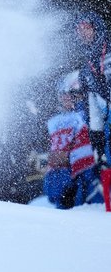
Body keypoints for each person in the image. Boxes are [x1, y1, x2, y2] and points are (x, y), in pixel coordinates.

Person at [43, 71, 104, 209]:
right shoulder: (54, 122)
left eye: (71, 93)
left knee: (94, 207)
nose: (66, 98)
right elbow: (56, 153)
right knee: (65, 210)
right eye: (62, 94)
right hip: (63, 174)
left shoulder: (87, 113)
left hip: (89, 169)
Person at [73, 11, 110, 167]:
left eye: (86, 28)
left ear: (96, 29)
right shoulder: (86, 68)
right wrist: (97, 143)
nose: (83, 33)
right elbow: (92, 107)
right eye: (79, 30)